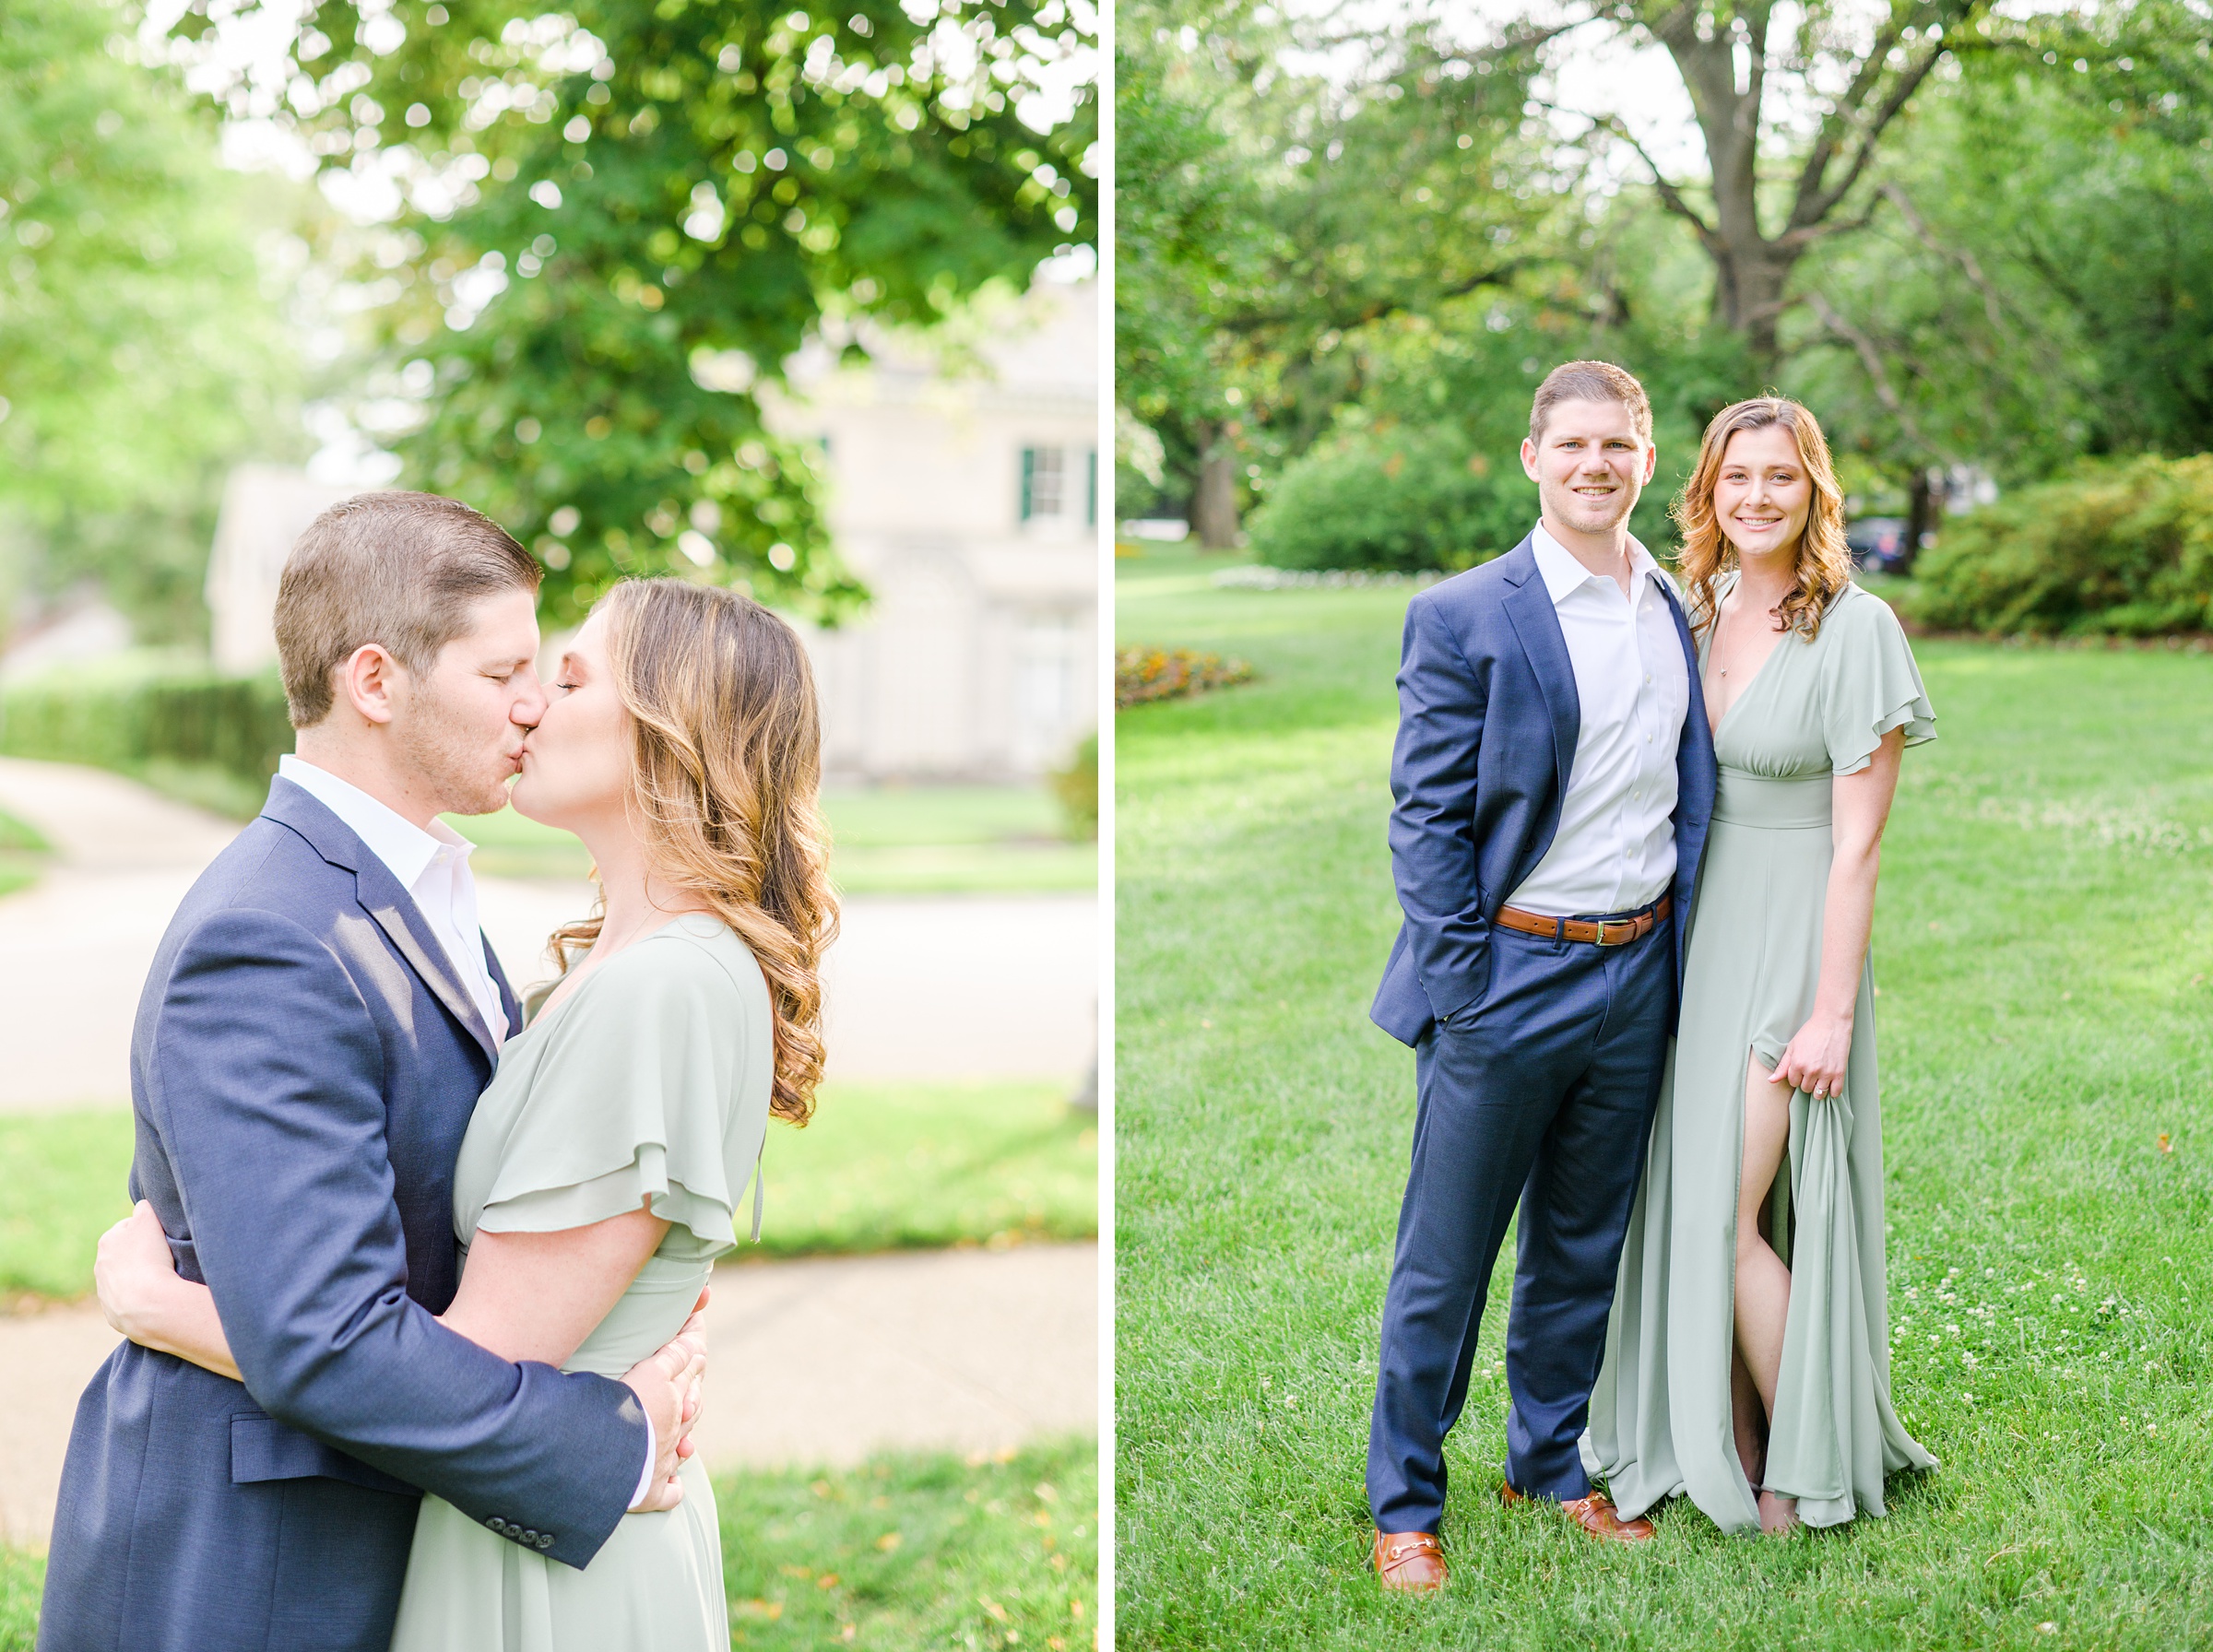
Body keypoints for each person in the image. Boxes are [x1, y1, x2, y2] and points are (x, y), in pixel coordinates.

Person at [90, 572, 834, 1647]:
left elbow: (473, 1360)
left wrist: (165, 1309)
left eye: (569, 677)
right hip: (520, 1509)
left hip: (547, 1552)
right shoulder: (609, 967)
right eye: (520, 673)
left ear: (672, 731)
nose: (531, 702)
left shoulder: (660, 985)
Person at [1365, 361, 1717, 1593]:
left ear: (1646, 456)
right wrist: (1466, 990)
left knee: (1581, 1243)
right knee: (1446, 1261)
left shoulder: (1673, 603)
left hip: (1636, 972)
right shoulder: (1468, 614)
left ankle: (1548, 1465)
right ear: (1533, 457)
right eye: (1571, 445)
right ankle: (1405, 1504)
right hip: (1510, 972)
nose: (1594, 466)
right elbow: (1425, 821)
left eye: (1617, 445)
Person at [1584, 397, 1936, 1536]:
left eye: (1781, 477)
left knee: (1733, 1211)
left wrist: (1829, 1011)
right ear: (1707, 489)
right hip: (1693, 930)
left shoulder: (1856, 626)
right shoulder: (1695, 608)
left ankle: (1801, 1466)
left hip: (1793, 933)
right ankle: (1720, 1442)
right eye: (1737, 478)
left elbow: (1860, 843)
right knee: (1692, 1200)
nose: (1757, 498)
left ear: (1815, 488)